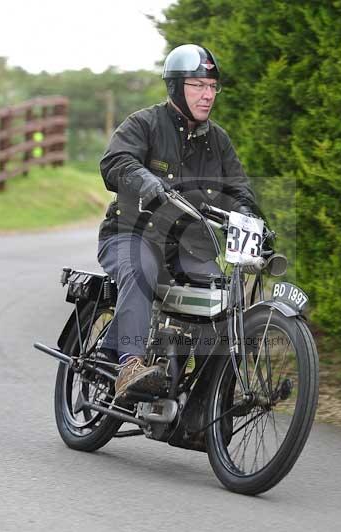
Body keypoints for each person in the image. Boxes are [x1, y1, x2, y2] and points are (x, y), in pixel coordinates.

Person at [97, 43, 257, 402]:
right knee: (142, 267)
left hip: (187, 245)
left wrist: (247, 215)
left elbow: (240, 190)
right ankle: (130, 366)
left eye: (212, 86)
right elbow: (115, 163)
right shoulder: (144, 124)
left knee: (218, 295)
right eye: (198, 85)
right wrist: (145, 181)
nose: (207, 94)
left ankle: (202, 403)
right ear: (175, 87)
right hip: (131, 234)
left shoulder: (218, 141)